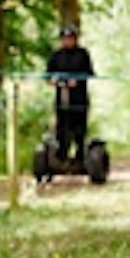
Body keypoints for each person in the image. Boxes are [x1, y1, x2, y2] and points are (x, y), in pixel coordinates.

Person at [46, 23, 95, 167]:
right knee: (61, 129)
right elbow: (48, 76)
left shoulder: (83, 54)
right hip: (61, 98)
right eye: (65, 38)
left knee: (79, 129)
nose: (68, 41)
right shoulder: (56, 56)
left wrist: (77, 81)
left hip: (79, 100)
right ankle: (61, 158)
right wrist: (54, 81)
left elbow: (90, 73)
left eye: (71, 38)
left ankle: (80, 158)